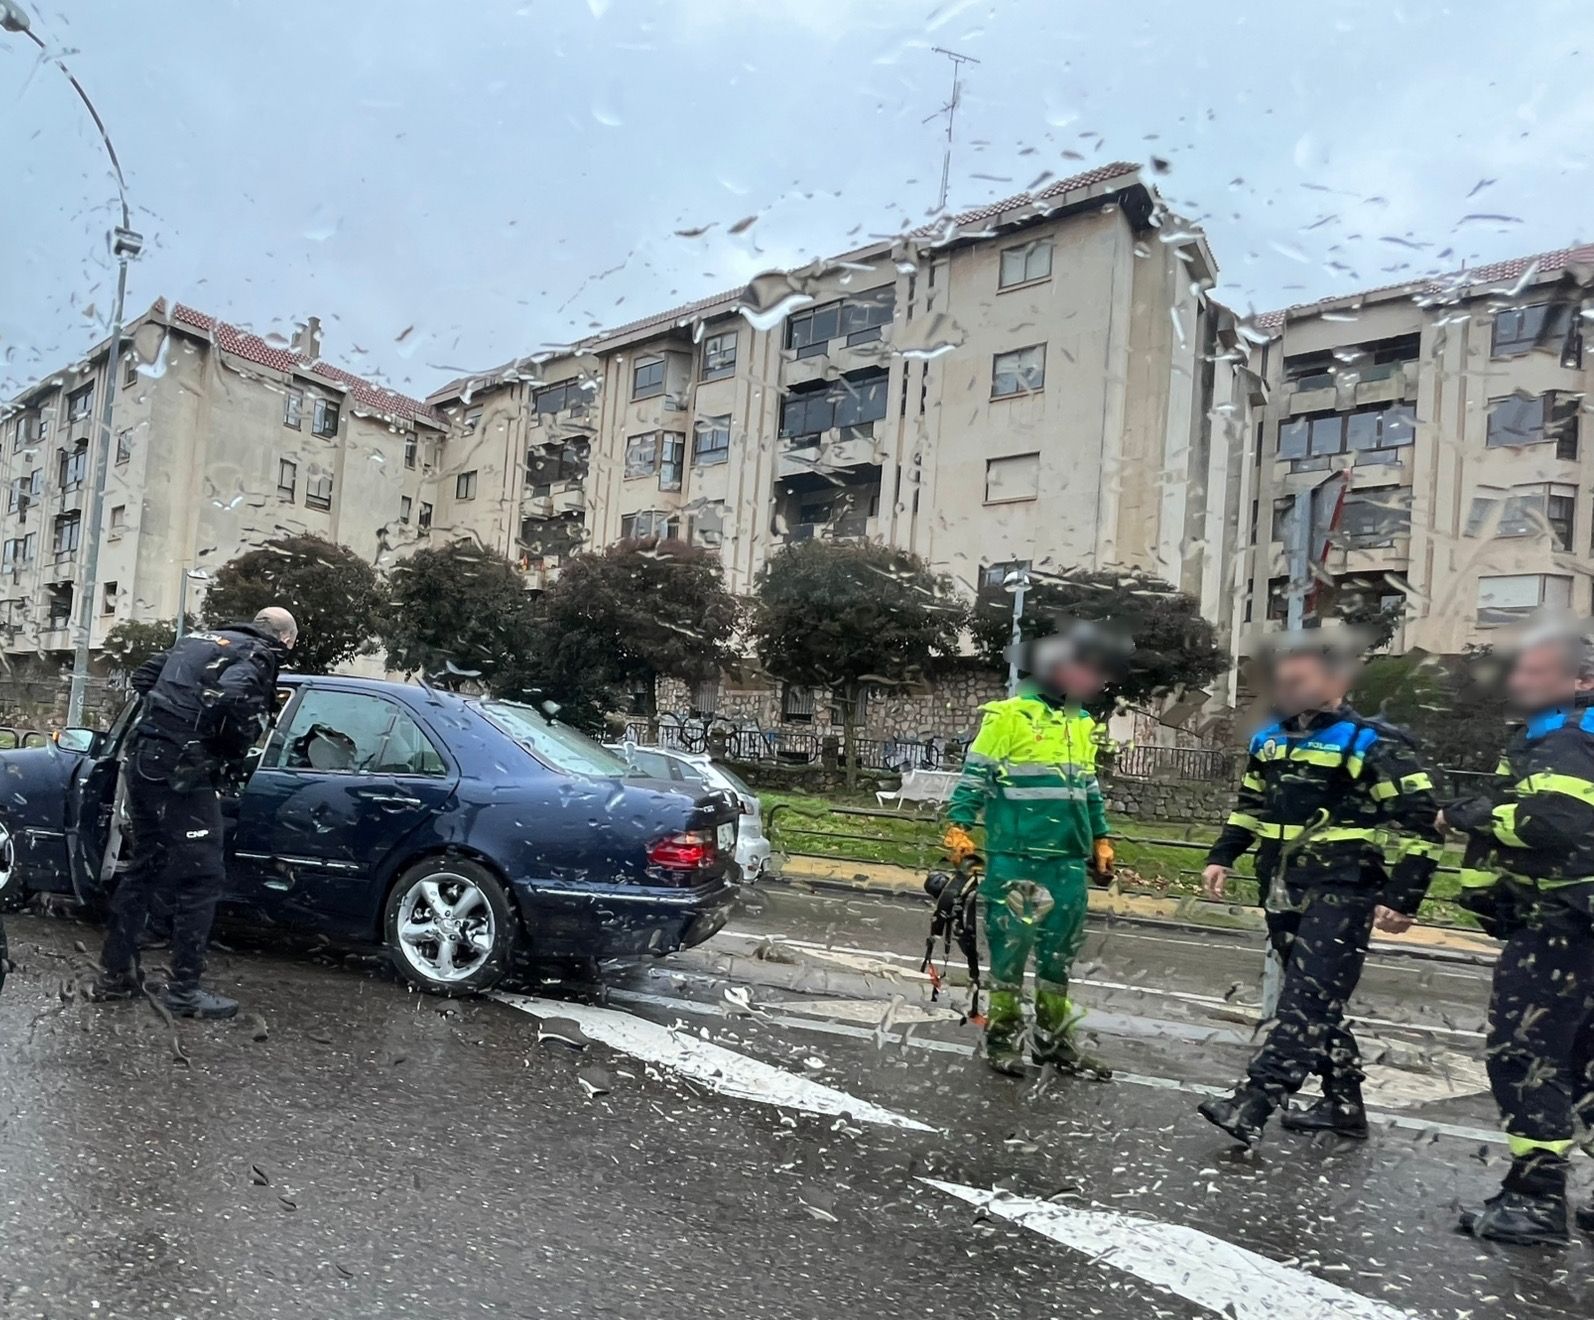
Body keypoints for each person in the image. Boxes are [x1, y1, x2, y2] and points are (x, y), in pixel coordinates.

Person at [1198, 628, 1442, 1146]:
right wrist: (1223, 856)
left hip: (1344, 885)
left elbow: (1423, 823)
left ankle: (1255, 1101)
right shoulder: (1271, 738)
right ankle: (1344, 1105)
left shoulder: (1372, 742)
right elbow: (1251, 806)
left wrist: (1404, 898)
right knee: (1316, 1000)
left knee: (1305, 1000)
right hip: (1282, 886)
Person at [1446, 623, 1594, 1245]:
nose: (1521, 681)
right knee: (1584, 1063)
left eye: (1539, 672)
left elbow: (1553, 823)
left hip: (1565, 927)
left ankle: (1535, 1199)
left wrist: (1469, 815)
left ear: (1582, 682)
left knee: (1525, 1055)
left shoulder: (1566, 740)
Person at [93, 607, 297, 1019]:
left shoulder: (196, 640)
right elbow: (231, 699)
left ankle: (114, 975)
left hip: (144, 758)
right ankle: (183, 989)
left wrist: (169, 717)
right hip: (182, 769)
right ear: (286, 639)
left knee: (147, 864)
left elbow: (144, 678)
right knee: (203, 876)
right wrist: (225, 750)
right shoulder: (259, 655)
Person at [943, 619, 1125, 1078]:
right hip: (1016, 859)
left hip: (1067, 862)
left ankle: (1054, 1043)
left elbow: (1088, 788)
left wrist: (1100, 838)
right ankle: (1003, 1041)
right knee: (1011, 958)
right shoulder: (1007, 717)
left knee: (1057, 961)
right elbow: (974, 779)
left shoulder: (1080, 724)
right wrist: (959, 830)